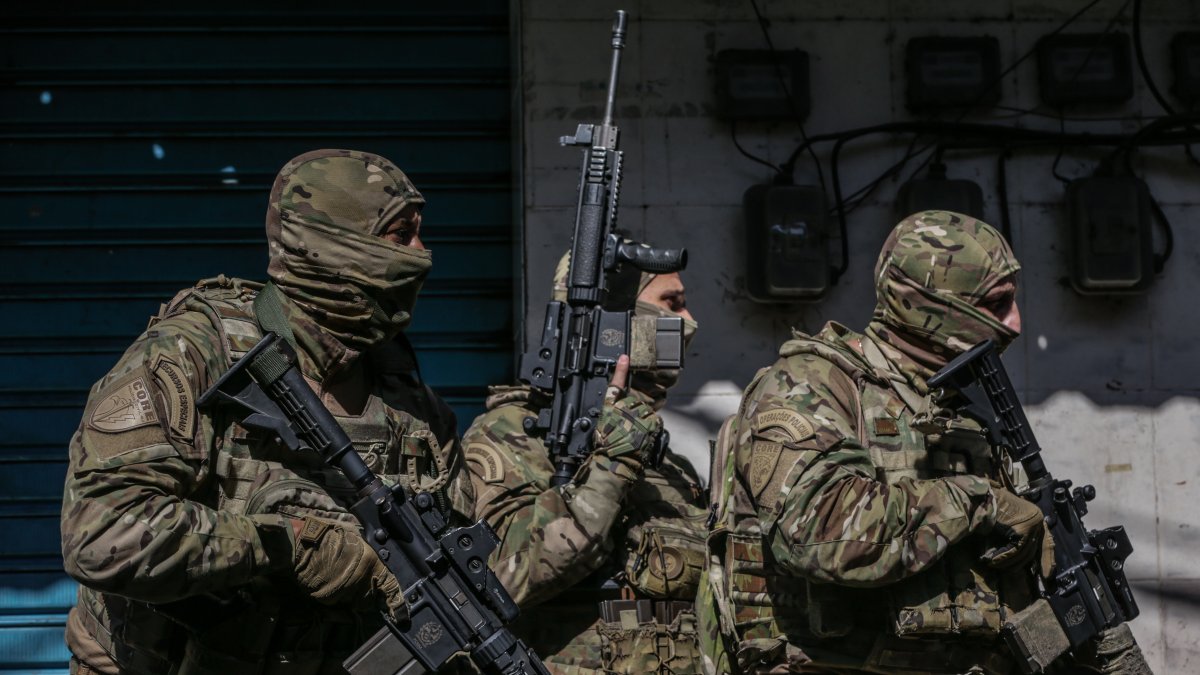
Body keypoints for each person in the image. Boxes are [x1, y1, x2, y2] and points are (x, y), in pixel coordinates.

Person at [60, 149, 470, 674]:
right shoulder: (195, 354)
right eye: (400, 235)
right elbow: (100, 534)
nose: (422, 254)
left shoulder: (406, 397)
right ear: (332, 243)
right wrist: (290, 546)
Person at [698, 211, 1150, 675]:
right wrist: (983, 503)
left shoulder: (961, 411)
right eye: (997, 304)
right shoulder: (814, 383)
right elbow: (820, 531)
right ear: (932, 305)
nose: (1015, 324)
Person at [459, 252, 708, 674]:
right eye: (672, 302)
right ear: (619, 322)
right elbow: (499, 579)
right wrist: (613, 464)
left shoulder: (669, 463)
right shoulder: (516, 432)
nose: (689, 319)